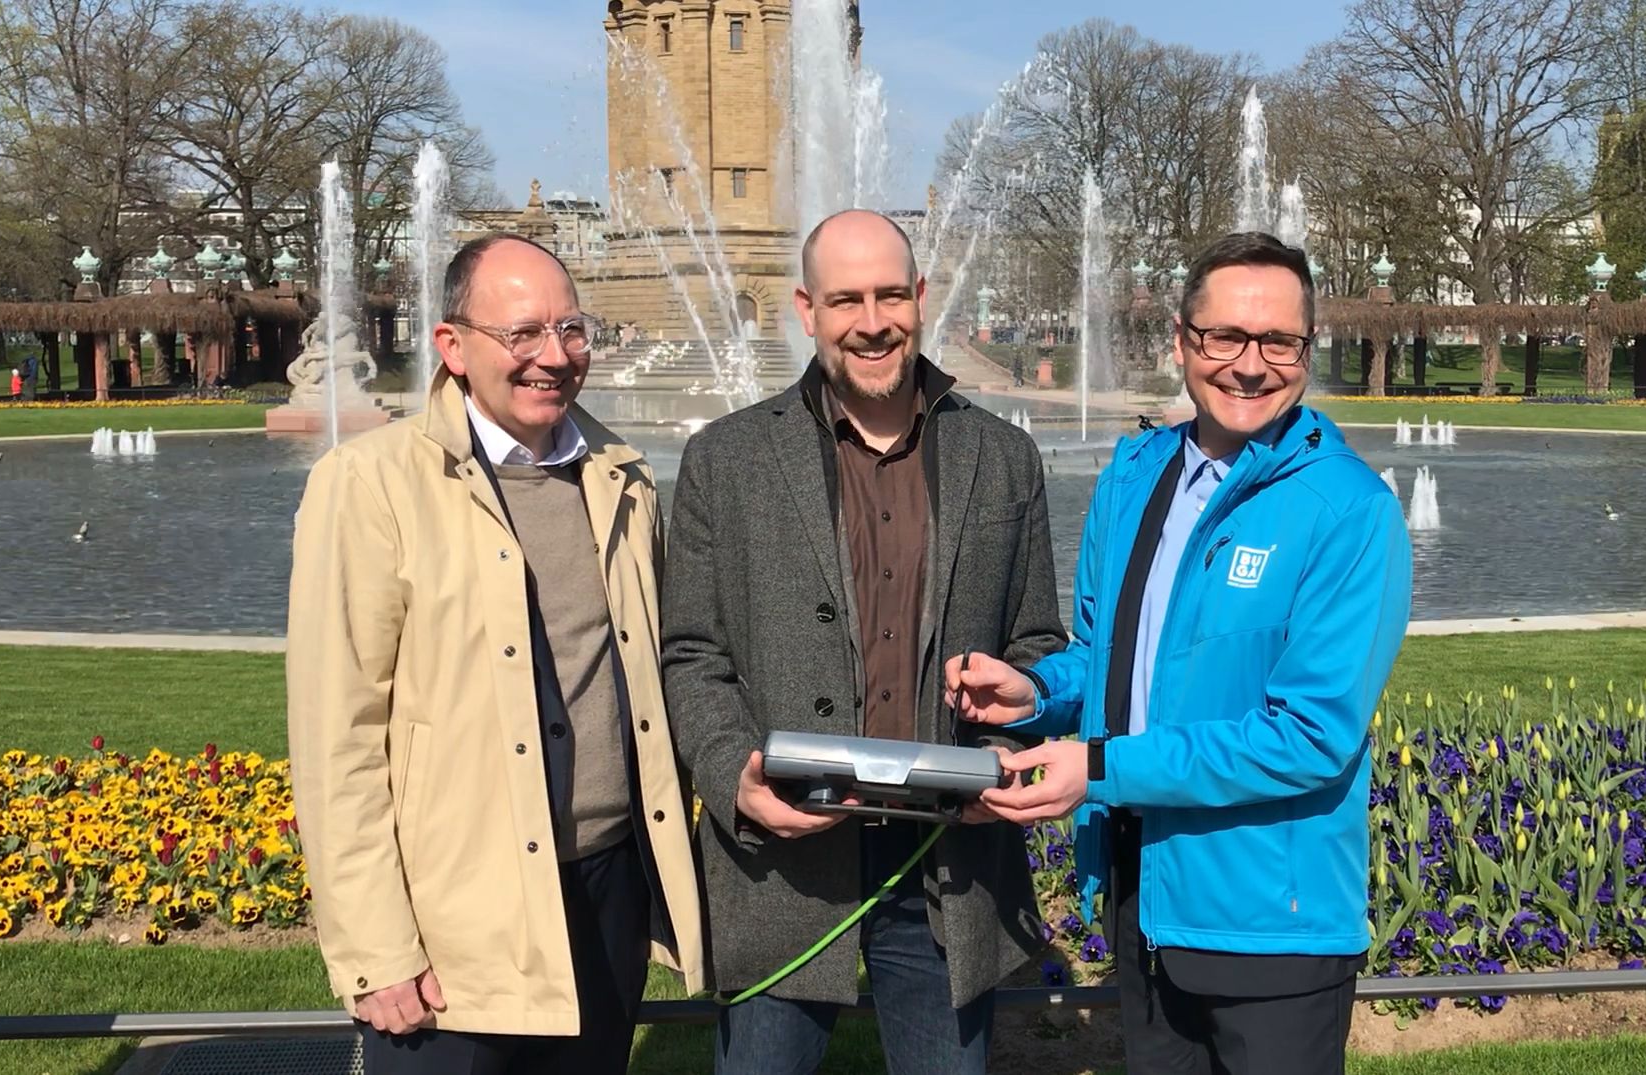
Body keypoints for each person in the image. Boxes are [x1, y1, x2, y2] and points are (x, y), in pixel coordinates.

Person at [955, 232, 1413, 1074]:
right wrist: (1031, 692)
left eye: (1278, 340)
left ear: (1307, 349)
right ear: (1181, 341)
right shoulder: (1134, 475)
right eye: (1224, 337)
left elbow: (1307, 737)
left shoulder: (1349, 511)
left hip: (1275, 923)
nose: (1250, 363)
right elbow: (1109, 659)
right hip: (1145, 896)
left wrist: (1092, 768)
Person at [661, 208, 1067, 1075]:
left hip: (946, 860)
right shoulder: (725, 461)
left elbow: (1035, 640)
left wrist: (1003, 735)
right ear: (807, 310)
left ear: (920, 298)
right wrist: (732, 772)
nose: (872, 320)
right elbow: (692, 652)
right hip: (783, 853)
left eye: (890, 294)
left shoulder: (1001, 457)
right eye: (846, 299)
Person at [287, 232, 704, 1074]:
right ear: (452, 346)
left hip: (605, 890)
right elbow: (338, 737)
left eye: (570, 329)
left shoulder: (621, 476)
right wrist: (376, 948)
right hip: (455, 927)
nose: (553, 356)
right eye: (522, 333)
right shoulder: (369, 484)